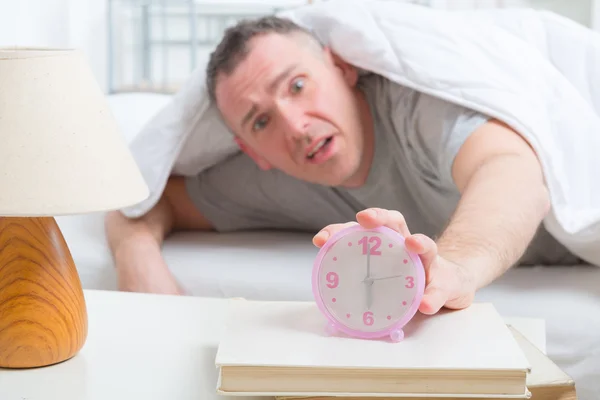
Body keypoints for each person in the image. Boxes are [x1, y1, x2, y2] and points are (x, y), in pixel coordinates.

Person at [104, 15, 582, 315]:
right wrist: (139, 265)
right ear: (251, 151)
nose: (294, 126)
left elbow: (514, 172)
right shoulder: (273, 177)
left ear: (343, 68)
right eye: (261, 121)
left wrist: (452, 267)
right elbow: (145, 198)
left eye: (296, 86)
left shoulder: (416, 108)